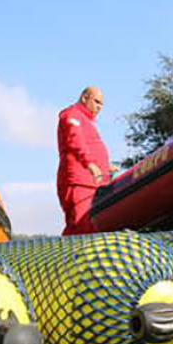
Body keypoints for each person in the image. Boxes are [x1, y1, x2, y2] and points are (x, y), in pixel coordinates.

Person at [56, 86, 116, 235]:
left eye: (101, 104)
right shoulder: (72, 116)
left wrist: (105, 168)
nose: (99, 107)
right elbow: (75, 141)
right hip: (80, 182)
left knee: (90, 226)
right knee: (80, 225)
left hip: (93, 183)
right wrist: (90, 164)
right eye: (96, 101)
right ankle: (70, 257)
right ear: (84, 98)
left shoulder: (86, 122)